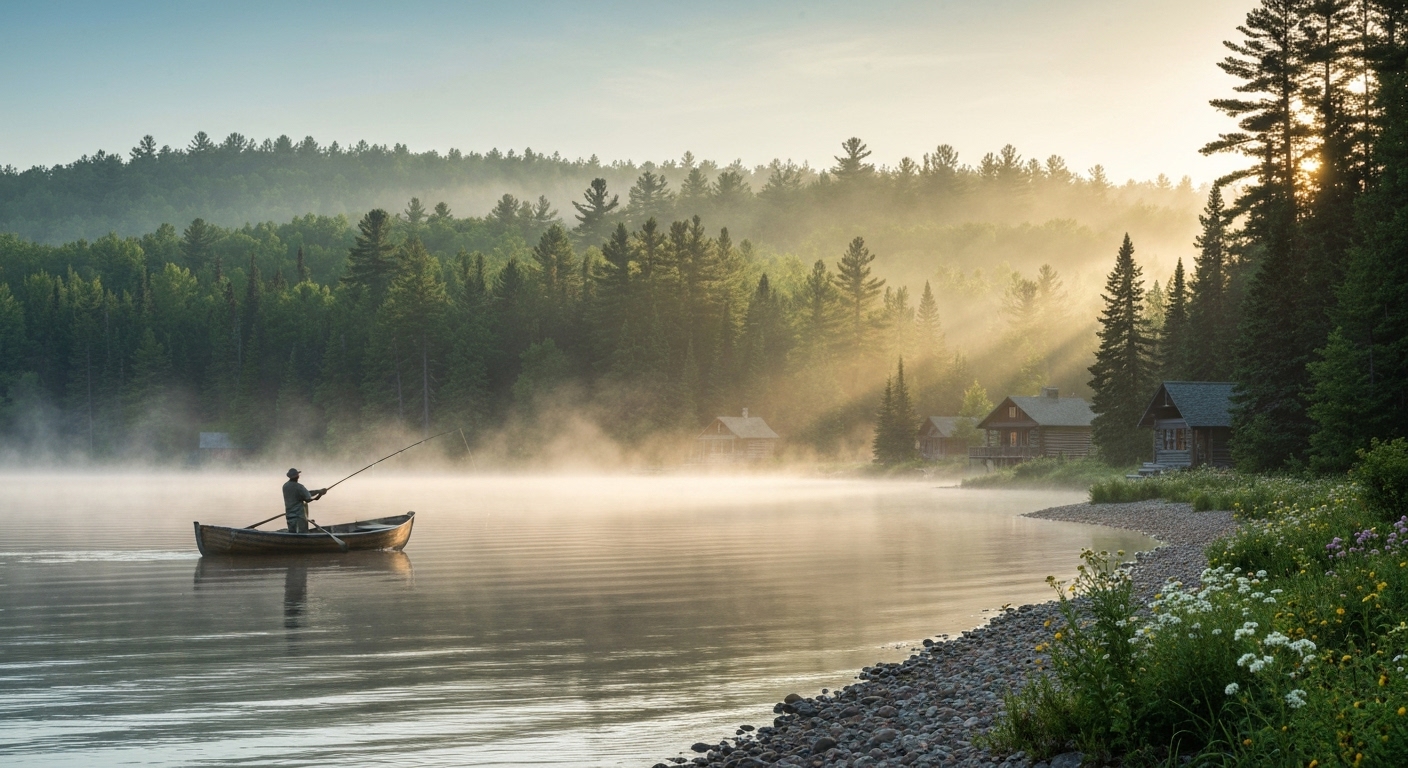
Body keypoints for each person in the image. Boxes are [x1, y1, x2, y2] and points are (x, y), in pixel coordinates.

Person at [282, 468, 327, 534]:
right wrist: (320, 494)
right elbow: (308, 499)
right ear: (297, 476)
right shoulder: (299, 487)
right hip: (299, 517)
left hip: (289, 516)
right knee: (302, 534)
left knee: (292, 533)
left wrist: (318, 491)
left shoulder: (285, 486)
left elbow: (306, 493)